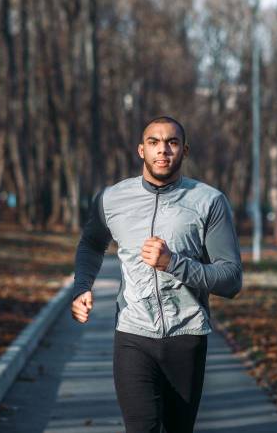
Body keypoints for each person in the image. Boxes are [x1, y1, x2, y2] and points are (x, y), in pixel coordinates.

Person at [71, 116, 242, 433]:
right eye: (154, 142)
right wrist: (82, 286)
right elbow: (91, 245)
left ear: (184, 151)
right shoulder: (111, 199)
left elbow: (231, 279)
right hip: (133, 335)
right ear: (141, 150)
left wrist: (173, 264)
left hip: (186, 336)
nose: (163, 150)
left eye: (172, 142)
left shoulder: (209, 202)